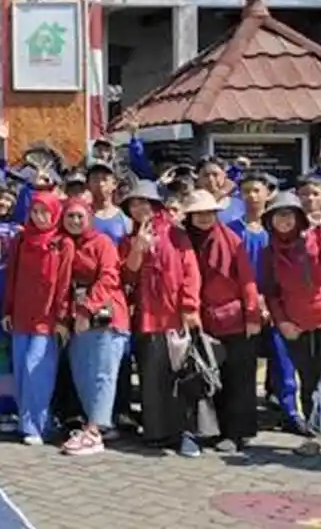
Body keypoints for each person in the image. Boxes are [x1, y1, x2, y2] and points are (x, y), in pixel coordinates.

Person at [120, 180, 203, 457]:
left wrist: (189, 307)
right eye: (133, 203)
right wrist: (138, 248)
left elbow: (191, 271)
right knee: (150, 378)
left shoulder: (175, 234)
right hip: (146, 317)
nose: (139, 207)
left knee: (179, 377)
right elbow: (127, 276)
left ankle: (184, 433)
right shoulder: (130, 238)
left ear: (155, 204)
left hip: (174, 316)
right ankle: (156, 432)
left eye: (144, 202)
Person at [183, 189, 261, 452]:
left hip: (235, 319)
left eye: (209, 213)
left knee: (238, 378)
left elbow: (247, 279)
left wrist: (252, 315)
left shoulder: (231, 240)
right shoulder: (185, 240)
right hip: (201, 320)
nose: (205, 218)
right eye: (199, 213)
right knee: (209, 378)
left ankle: (237, 433)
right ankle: (212, 430)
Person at [260, 190, 321, 457]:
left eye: (289, 214)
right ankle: (314, 435)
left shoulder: (315, 237)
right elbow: (271, 292)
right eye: (278, 215)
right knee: (309, 380)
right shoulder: (269, 252)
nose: (284, 220)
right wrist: (283, 322)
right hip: (297, 324)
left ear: (299, 217)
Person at [1, 192, 73, 446]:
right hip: (21, 312)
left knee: (37, 369)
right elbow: (12, 278)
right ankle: (25, 420)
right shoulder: (21, 240)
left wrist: (62, 317)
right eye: (35, 211)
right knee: (21, 368)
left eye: (45, 211)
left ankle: (37, 424)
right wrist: (7, 310)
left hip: (47, 316)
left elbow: (64, 284)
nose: (40, 217)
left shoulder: (62, 243)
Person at [60, 197, 129, 456]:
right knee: (82, 373)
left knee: (102, 373)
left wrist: (86, 308)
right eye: (70, 217)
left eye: (80, 216)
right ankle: (96, 424)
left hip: (106, 317)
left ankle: (93, 432)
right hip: (78, 319)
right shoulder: (64, 245)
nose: (76, 221)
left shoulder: (102, 243)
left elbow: (110, 276)